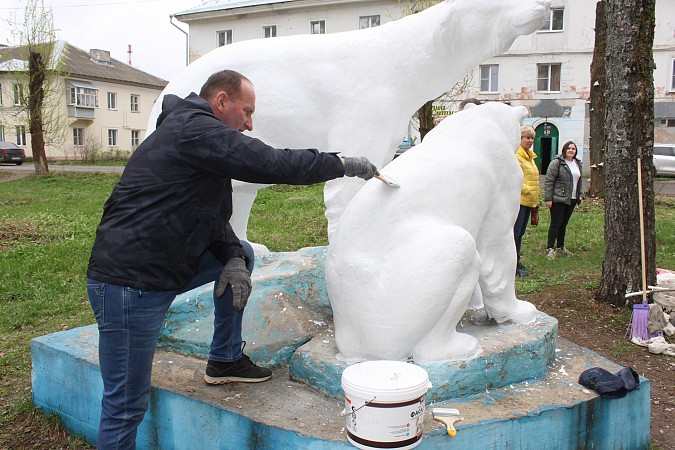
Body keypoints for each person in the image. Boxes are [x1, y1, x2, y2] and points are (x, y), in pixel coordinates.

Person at [85, 69, 379, 449]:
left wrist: (232, 259)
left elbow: (210, 218)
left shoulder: (196, 141)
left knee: (242, 252)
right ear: (221, 102)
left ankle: (224, 360)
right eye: (246, 111)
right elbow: (272, 162)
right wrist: (341, 164)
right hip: (130, 283)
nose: (249, 123)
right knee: (125, 405)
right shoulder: (194, 129)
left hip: (160, 268)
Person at [543, 140, 583, 259]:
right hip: (558, 198)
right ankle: (550, 248)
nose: (571, 150)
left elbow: (579, 182)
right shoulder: (557, 163)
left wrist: (580, 195)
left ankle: (561, 246)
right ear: (564, 150)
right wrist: (548, 198)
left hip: (572, 199)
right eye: (569, 148)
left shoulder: (577, 163)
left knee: (564, 224)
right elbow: (549, 181)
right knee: (556, 223)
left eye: (573, 149)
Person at [513, 125, 540, 277]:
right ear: (520, 139)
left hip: (529, 201)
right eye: (527, 137)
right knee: (515, 234)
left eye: (532, 138)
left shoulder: (530, 156)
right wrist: (528, 190)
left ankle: (517, 260)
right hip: (520, 200)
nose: (530, 141)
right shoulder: (517, 156)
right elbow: (515, 178)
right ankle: (513, 264)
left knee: (520, 233)